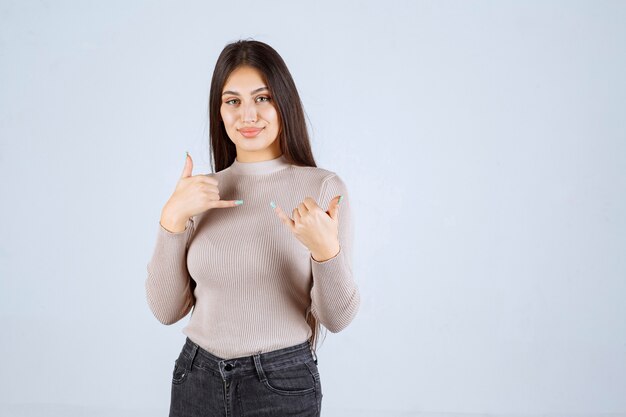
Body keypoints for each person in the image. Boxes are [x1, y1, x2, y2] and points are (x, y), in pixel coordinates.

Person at [145, 39, 360, 417]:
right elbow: (165, 310)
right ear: (220, 110)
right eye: (233, 101)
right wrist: (172, 219)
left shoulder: (322, 188)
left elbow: (338, 319)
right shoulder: (201, 193)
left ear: (284, 103)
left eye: (262, 98)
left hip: (280, 384)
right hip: (197, 377)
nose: (248, 115)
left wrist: (326, 253)